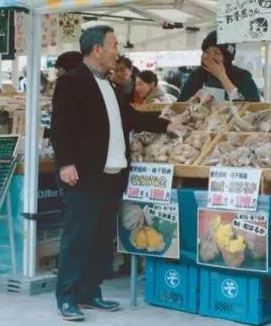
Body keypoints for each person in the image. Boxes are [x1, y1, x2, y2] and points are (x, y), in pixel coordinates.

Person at [51, 25, 185, 321]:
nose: (117, 51)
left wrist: (166, 125)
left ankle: (90, 292)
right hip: (84, 174)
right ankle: (67, 297)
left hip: (112, 174)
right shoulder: (72, 82)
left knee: (101, 238)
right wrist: (66, 163)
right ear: (97, 49)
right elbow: (61, 126)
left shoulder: (110, 85)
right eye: (113, 45)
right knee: (78, 237)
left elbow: (131, 117)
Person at [177, 33, 261, 102]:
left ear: (227, 58)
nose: (210, 57)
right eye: (207, 52)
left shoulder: (242, 76)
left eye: (216, 53)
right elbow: (179, 106)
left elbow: (253, 108)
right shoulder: (197, 75)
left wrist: (222, 77)